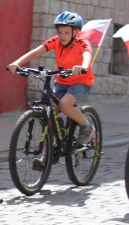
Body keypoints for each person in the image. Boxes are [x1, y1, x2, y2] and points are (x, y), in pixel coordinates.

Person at [7, 11, 95, 145]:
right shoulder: (56, 41)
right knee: (49, 115)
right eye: (60, 32)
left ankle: (87, 126)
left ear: (76, 32)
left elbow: (87, 55)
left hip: (81, 82)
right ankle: (46, 156)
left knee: (65, 104)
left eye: (66, 32)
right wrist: (17, 63)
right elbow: (37, 51)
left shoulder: (82, 43)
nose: (62, 36)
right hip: (62, 82)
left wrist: (82, 66)